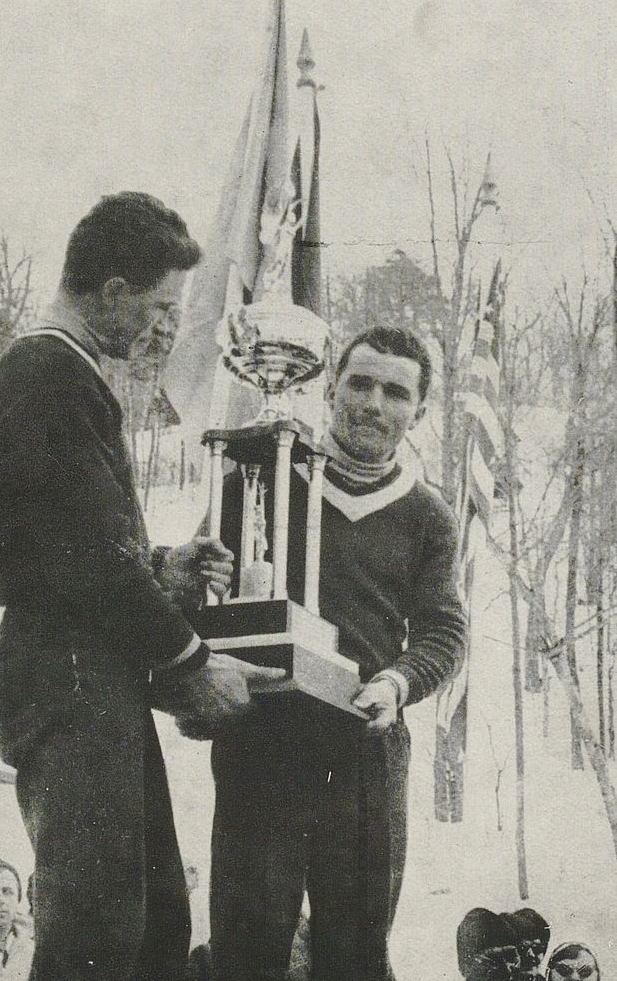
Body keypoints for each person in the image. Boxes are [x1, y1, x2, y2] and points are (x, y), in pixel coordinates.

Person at [0, 192, 282, 981]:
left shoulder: (58, 376)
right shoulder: (46, 373)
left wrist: (164, 569)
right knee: (98, 934)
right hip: (67, 679)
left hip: (90, 676)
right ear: (112, 291)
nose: (165, 325)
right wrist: (188, 662)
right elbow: (86, 565)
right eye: (160, 304)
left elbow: (79, 547)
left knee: (153, 925)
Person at [209, 325, 468, 981]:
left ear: (420, 411)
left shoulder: (430, 516)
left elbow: (444, 632)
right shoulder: (261, 473)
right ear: (329, 388)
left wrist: (397, 683)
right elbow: (201, 585)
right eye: (359, 383)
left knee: (353, 957)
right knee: (246, 952)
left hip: (363, 754)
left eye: (395, 392)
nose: (374, 404)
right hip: (261, 743)